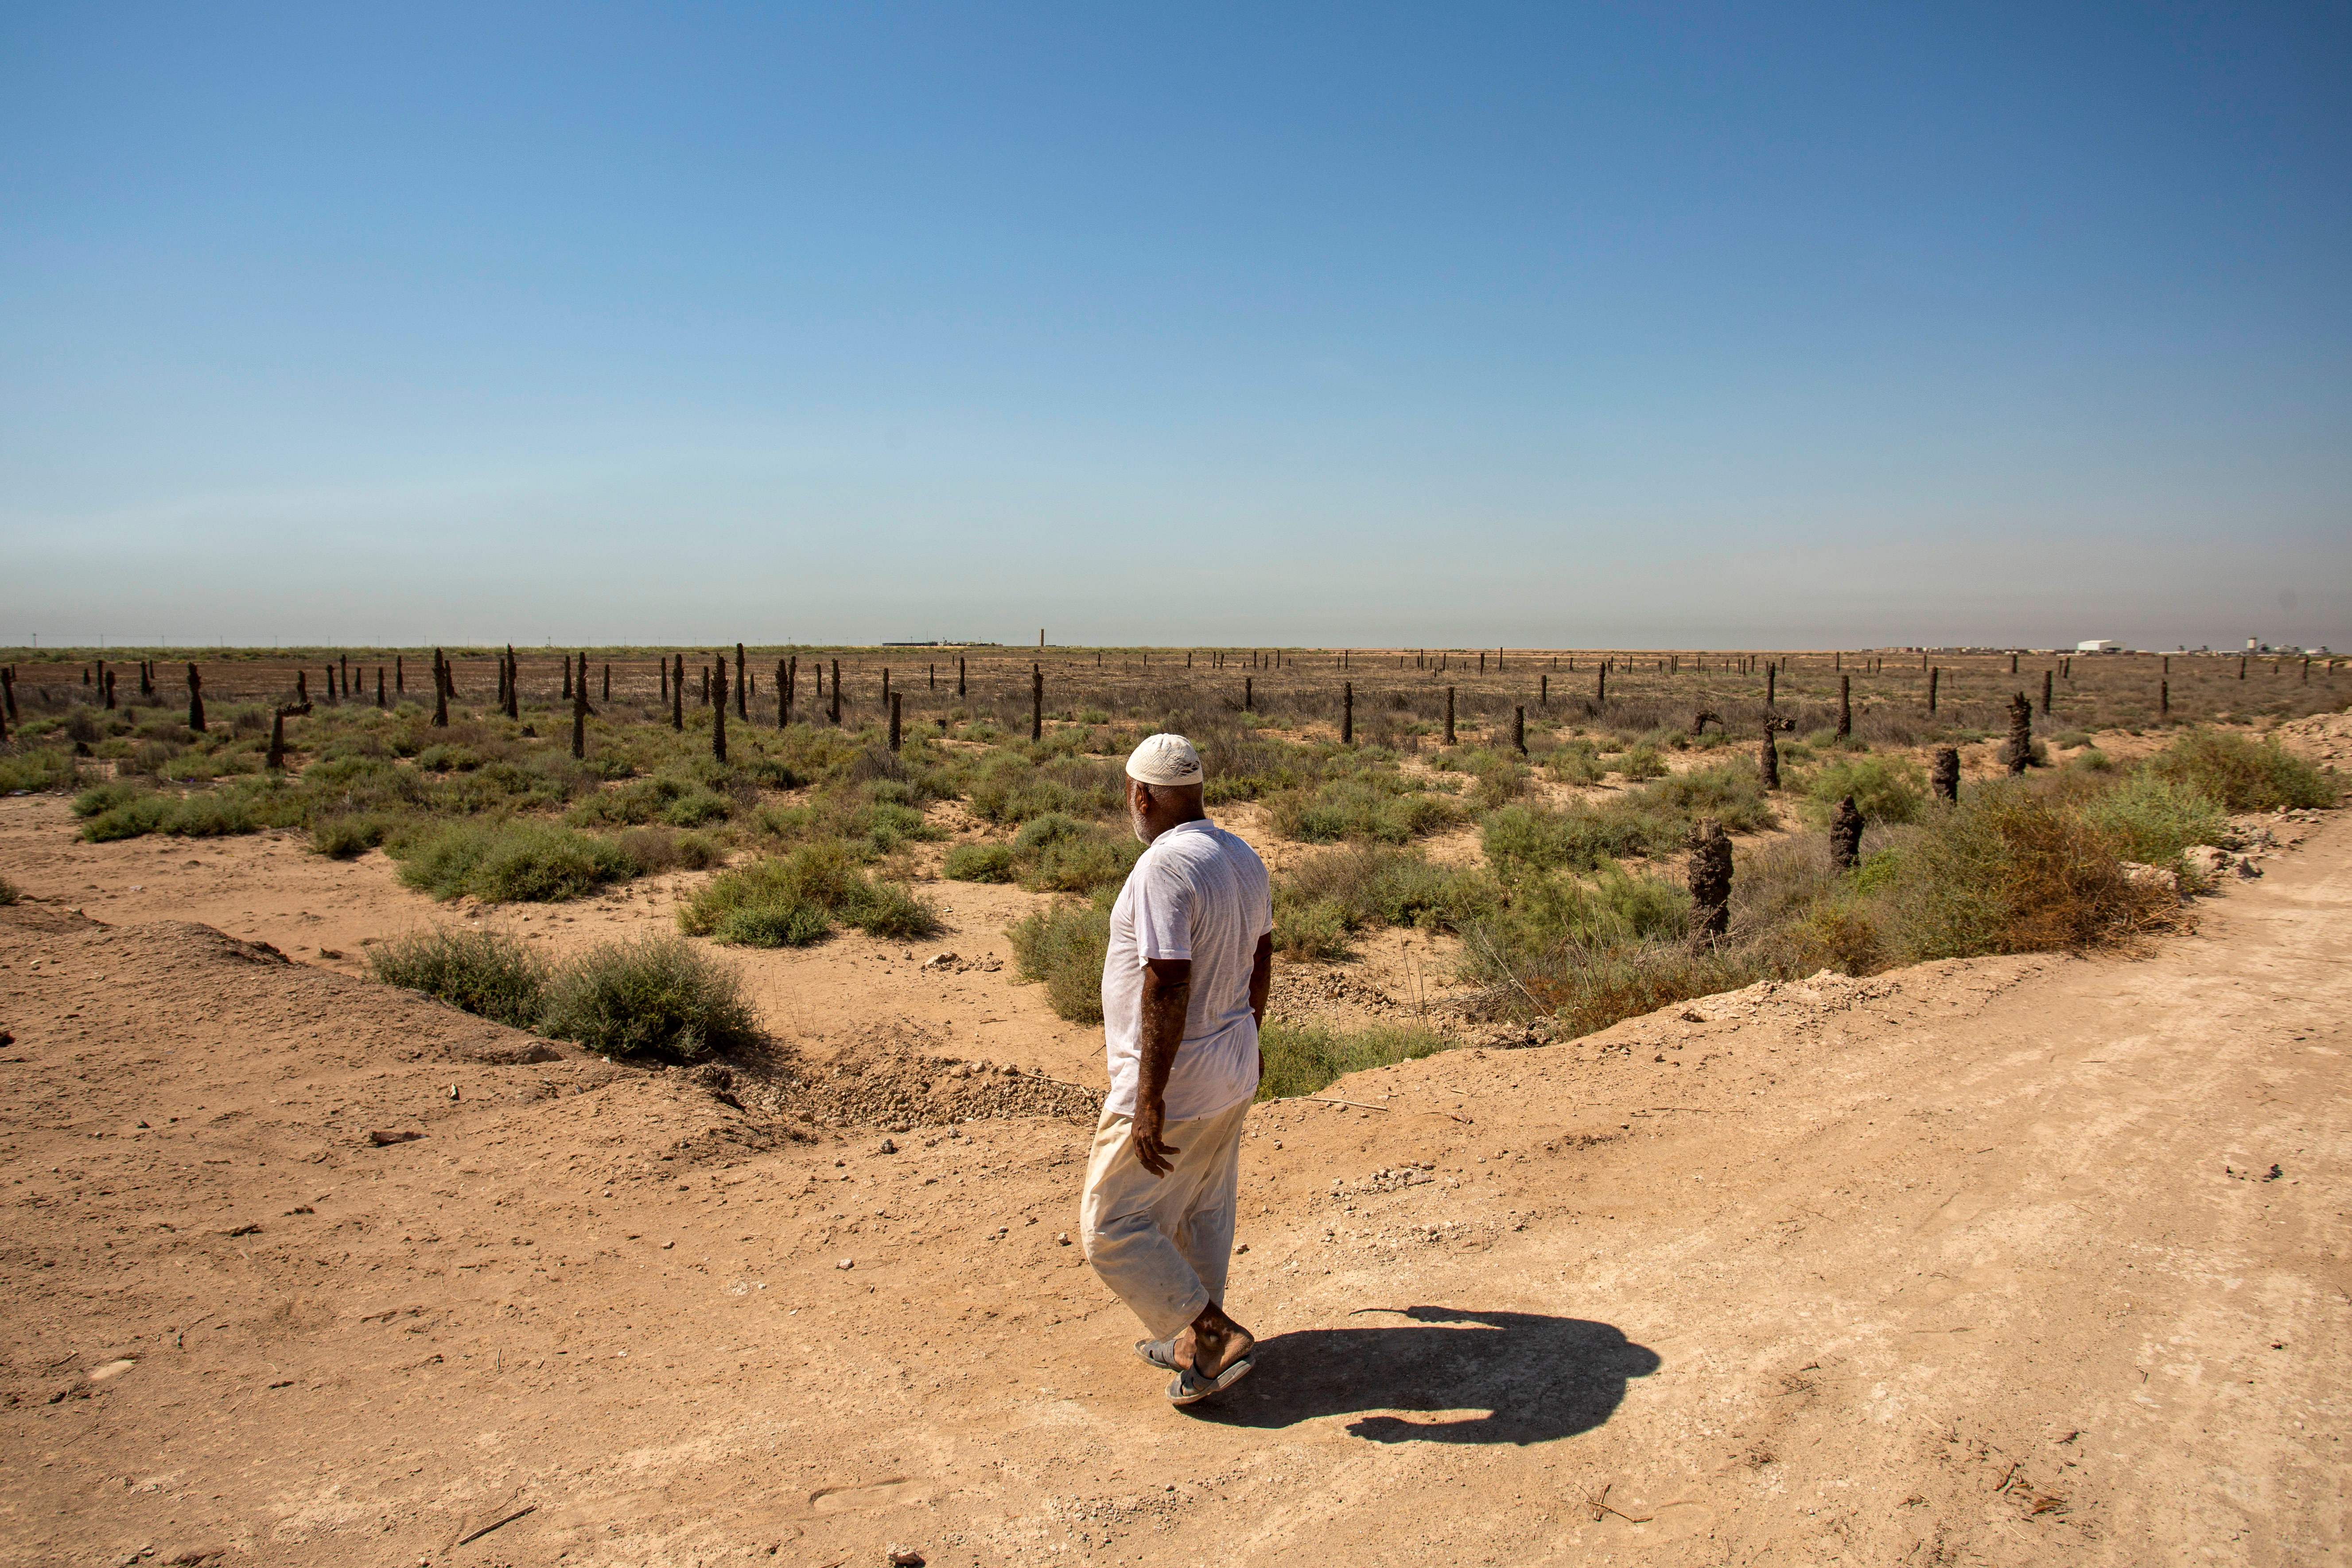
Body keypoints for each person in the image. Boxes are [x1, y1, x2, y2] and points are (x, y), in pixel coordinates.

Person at [1079, 732, 1274, 1405]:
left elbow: (1166, 978)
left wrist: (1150, 1096)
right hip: (1231, 1064)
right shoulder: (1240, 855)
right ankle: (1198, 1345)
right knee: (1201, 1205)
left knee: (1111, 1225)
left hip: (1179, 1079)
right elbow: (1261, 955)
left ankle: (1209, 1331)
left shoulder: (1164, 868)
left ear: (1140, 795)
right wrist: (1246, 1037)